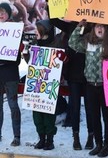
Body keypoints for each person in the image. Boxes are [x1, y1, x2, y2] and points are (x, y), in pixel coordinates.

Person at [68, 19, 108, 157]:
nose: (100, 29)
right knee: (94, 117)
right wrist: (79, 27)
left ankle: (107, 145)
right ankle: (98, 143)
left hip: (105, 86)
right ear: (93, 29)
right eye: (97, 27)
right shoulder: (88, 42)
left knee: (107, 116)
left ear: (106, 29)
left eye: (102, 27)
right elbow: (72, 43)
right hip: (90, 85)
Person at [50, 18, 94, 151]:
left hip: (90, 75)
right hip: (74, 74)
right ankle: (76, 137)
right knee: (74, 108)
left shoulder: (95, 26)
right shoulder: (71, 27)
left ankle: (90, 137)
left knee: (90, 108)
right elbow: (53, 20)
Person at [23, 19, 67, 150]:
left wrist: (63, 59)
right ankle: (41, 138)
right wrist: (25, 53)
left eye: (38, 29)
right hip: (37, 84)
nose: (35, 32)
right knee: (37, 114)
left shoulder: (57, 43)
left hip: (49, 84)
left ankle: (50, 140)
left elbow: (63, 61)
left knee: (48, 114)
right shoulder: (35, 44)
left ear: (45, 31)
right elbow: (31, 63)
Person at [0, 2, 21, 146]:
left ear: (8, 13)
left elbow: (17, 59)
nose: (0, 14)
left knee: (13, 106)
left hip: (10, 74)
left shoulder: (15, 30)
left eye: (3, 12)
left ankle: (17, 136)